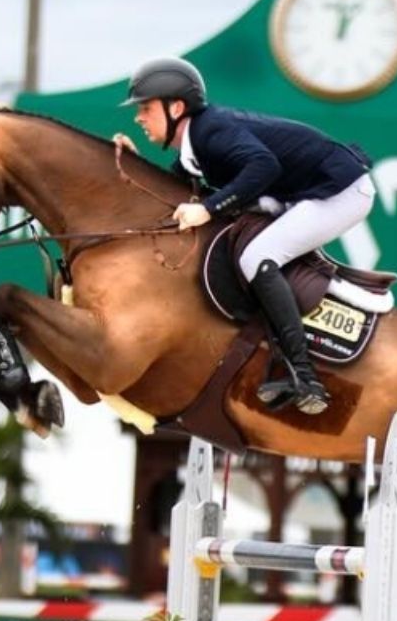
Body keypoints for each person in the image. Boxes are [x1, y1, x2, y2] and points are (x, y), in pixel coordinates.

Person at [114, 57, 374, 415]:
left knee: (257, 256)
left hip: (339, 192)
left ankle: (304, 374)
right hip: (301, 193)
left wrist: (208, 209)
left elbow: (264, 165)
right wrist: (134, 163)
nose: (138, 117)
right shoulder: (195, 146)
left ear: (176, 107)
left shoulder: (211, 131)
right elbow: (176, 191)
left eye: (145, 108)